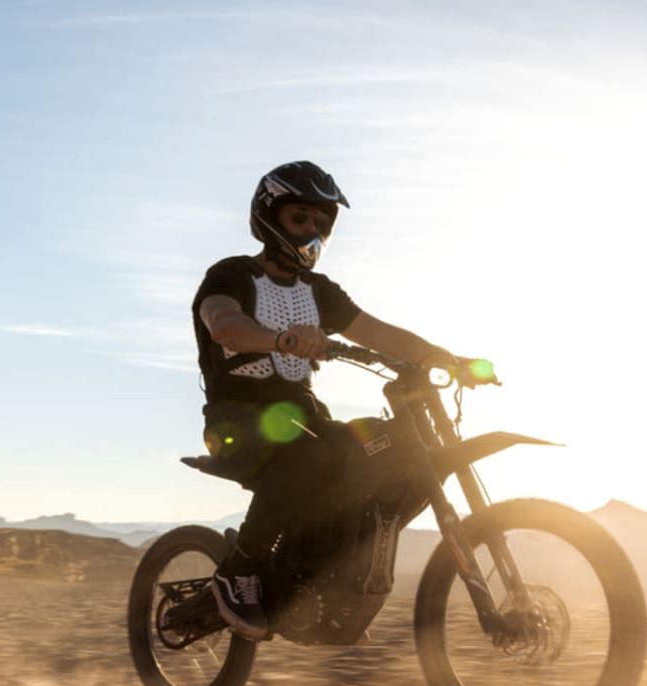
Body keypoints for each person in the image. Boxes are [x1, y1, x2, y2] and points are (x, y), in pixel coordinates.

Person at [194, 160, 489, 639]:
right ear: (270, 216)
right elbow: (223, 323)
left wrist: (447, 358)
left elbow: (379, 333)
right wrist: (281, 339)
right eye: (299, 219)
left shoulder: (318, 291)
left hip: (302, 418)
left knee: (380, 448)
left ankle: (329, 577)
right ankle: (239, 570)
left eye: (320, 222)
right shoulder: (231, 275)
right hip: (238, 421)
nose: (311, 230)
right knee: (307, 459)